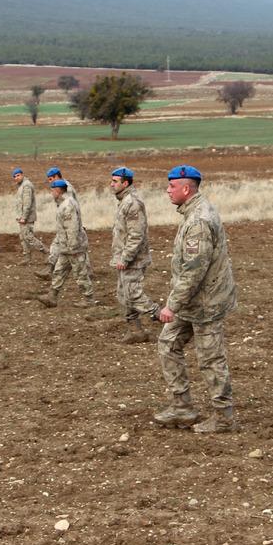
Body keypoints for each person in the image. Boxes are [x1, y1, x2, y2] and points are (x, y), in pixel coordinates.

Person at [153, 165, 238, 434]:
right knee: (168, 343)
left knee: (211, 358)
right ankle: (182, 406)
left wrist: (172, 305)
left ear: (186, 189)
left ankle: (224, 417)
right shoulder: (192, 213)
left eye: (172, 186)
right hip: (193, 301)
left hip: (206, 303)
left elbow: (194, 271)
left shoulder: (198, 221)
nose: (167, 190)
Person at [109, 166, 159, 343]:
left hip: (133, 260)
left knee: (132, 294)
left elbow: (136, 235)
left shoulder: (132, 203)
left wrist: (125, 258)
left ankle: (164, 317)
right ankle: (136, 331)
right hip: (125, 258)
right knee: (124, 294)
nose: (111, 184)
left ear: (125, 183)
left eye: (115, 181)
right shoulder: (124, 201)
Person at [36, 179, 96, 308]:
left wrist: (72, 247)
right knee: (59, 271)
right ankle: (52, 297)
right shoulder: (65, 203)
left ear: (58, 191)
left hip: (73, 248)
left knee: (80, 274)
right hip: (66, 248)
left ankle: (89, 300)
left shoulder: (67, 205)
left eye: (52, 191)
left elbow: (72, 228)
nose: (51, 193)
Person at [13, 167, 49, 265]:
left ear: (22, 175)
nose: (16, 178)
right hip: (22, 217)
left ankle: (47, 252)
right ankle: (27, 258)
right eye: (15, 176)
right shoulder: (21, 185)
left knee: (28, 237)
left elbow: (27, 203)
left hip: (27, 218)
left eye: (18, 175)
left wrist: (24, 217)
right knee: (23, 238)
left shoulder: (26, 185)